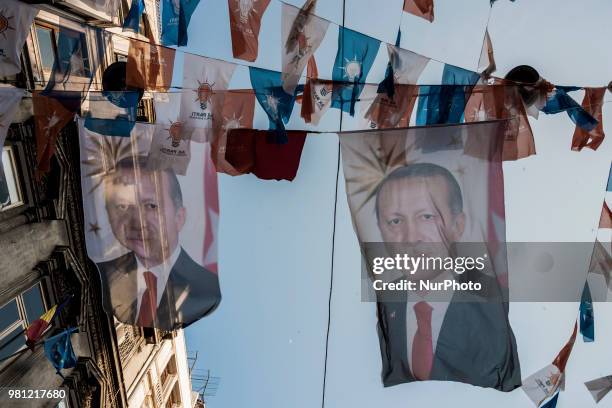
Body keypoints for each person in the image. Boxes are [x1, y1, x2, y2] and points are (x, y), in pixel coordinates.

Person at [373, 163, 521, 391]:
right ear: (380, 230)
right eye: (395, 221)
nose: (411, 238)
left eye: (426, 216)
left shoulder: (492, 300)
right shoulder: (386, 300)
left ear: (458, 225)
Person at [97, 157, 220, 330]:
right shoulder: (99, 274)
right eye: (122, 207)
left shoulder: (204, 287)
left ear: (179, 217)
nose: (137, 222)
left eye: (150, 206)